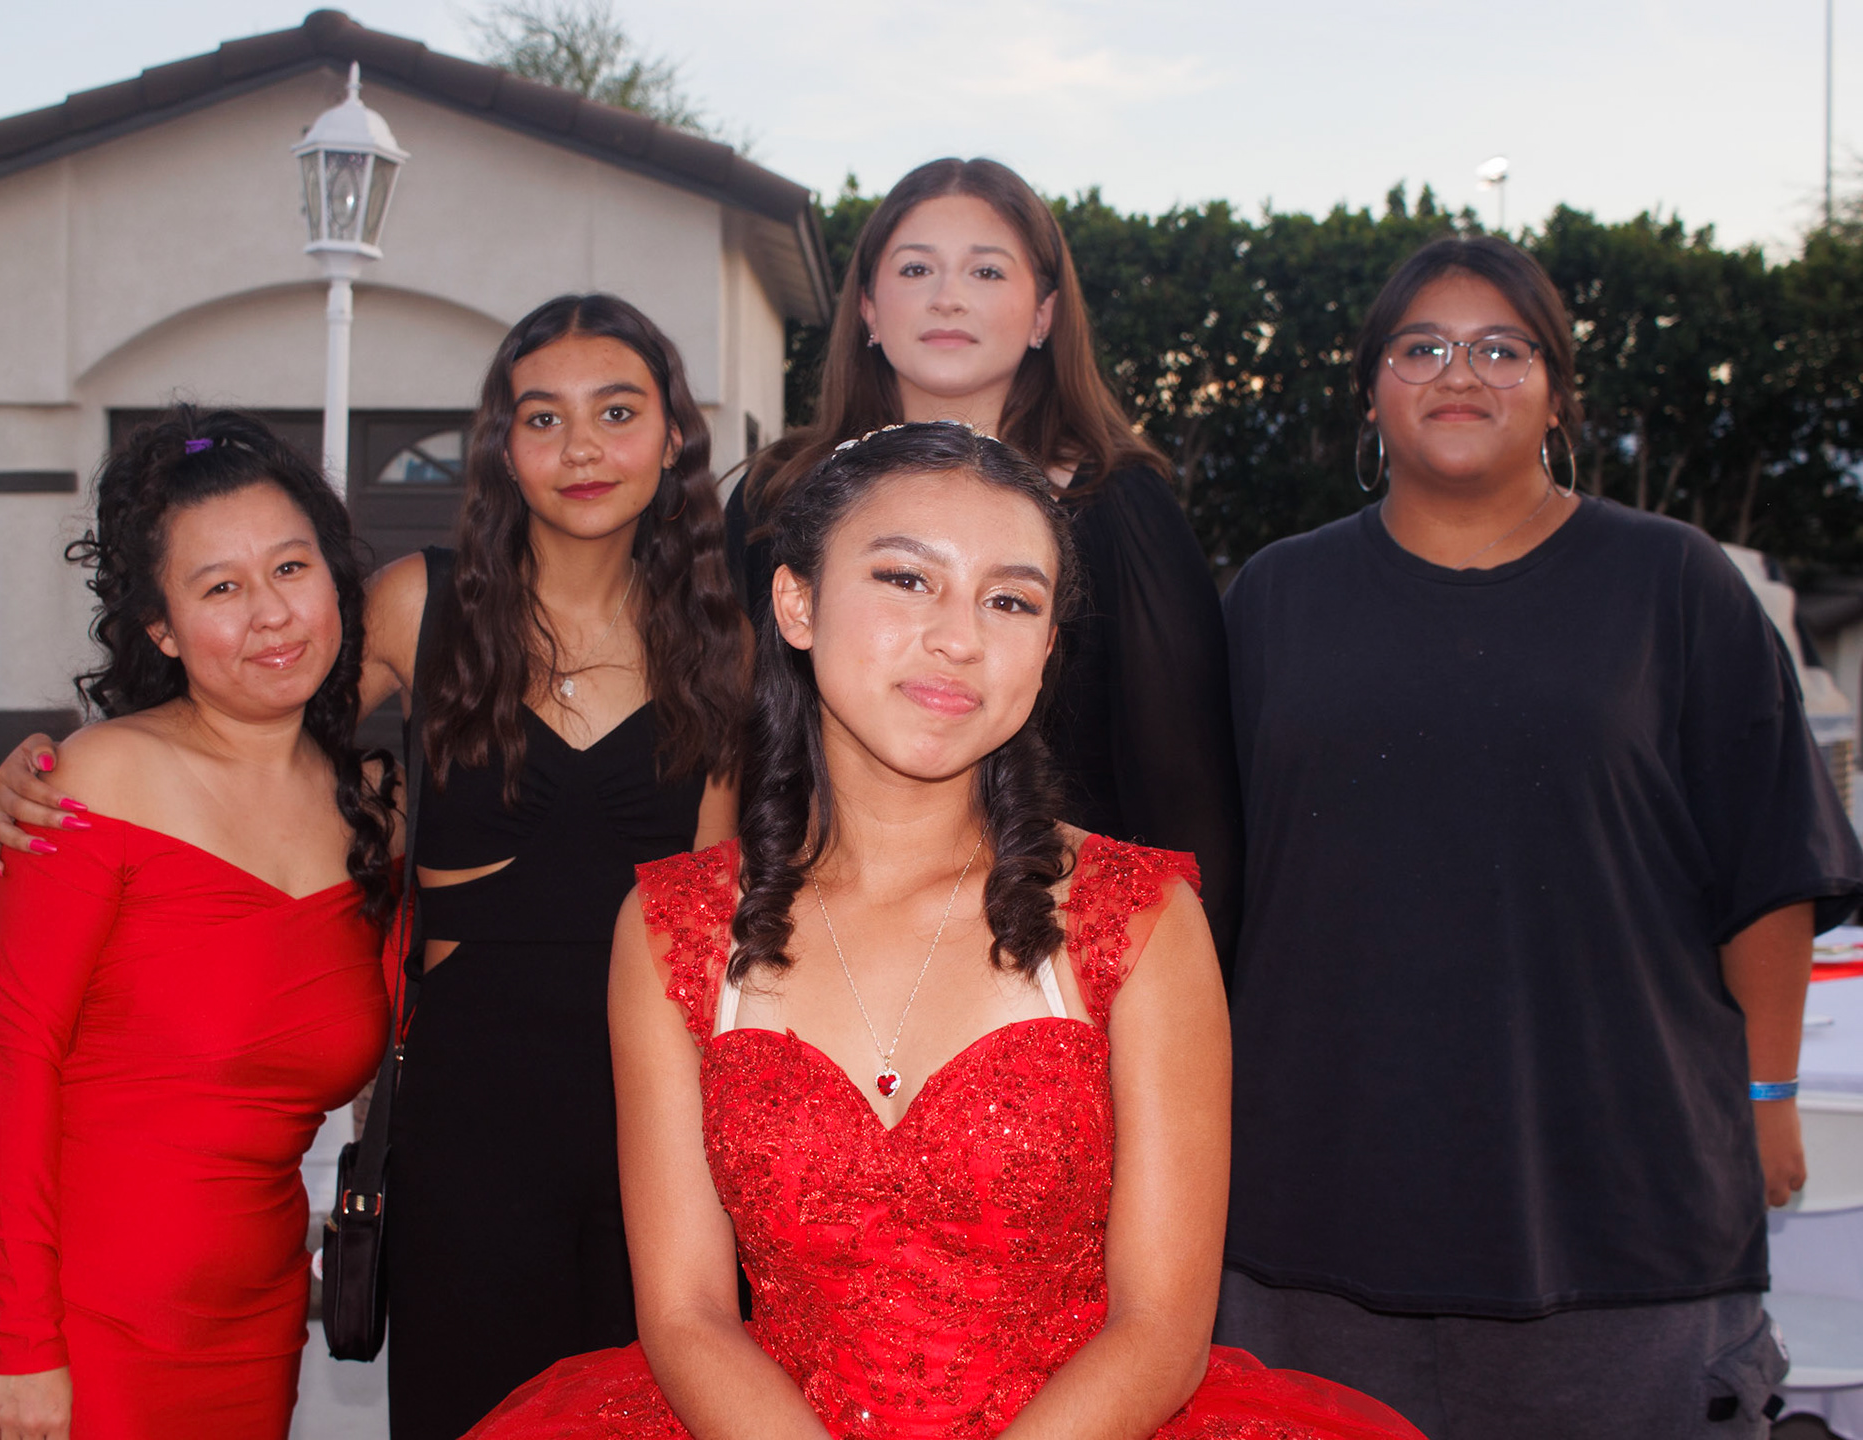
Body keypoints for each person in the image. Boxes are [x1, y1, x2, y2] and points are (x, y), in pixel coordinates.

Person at [464, 422, 1421, 1440]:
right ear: (796, 603)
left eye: (1010, 601)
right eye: (906, 579)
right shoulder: (674, 928)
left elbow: (1160, 1327)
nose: (959, 638)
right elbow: (686, 1313)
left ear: (1047, 650)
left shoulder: (1136, 918)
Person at [0, 294, 752, 1440]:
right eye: (543, 417)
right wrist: (54, 769)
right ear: (501, 444)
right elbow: (260, 728)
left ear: (675, 433)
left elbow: (716, 914)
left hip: (657, 1119)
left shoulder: (725, 638)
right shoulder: (418, 605)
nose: (582, 447)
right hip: (465, 1122)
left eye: (618, 412)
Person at [1214, 236, 1863, 1438]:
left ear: (1557, 393)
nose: (1461, 373)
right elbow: (1207, 892)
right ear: (1370, 392)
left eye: (1502, 349)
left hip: (1624, 1212)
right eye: (1422, 347)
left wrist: (1769, 1094)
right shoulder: (1274, 599)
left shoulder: (1673, 584)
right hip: (1312, 1216)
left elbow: (1769, 870)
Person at [0, 408, 397, 1440]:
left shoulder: (374, 810)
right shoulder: (97, 779)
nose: (272, 614)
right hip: (80, 1321)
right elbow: (14, 1059)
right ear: (161, 628)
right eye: (220, 588)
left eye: (291, 568)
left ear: (336, 582)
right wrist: (23, 1341)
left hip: (258, 1320)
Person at [726, 157, 1238, 960]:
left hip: (1056, 944)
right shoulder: (774, 500)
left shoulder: (1119, 506)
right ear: (868, 307)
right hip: (811, 940)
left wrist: (1166, 975)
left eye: (987, 270)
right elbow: (740, 745)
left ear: (1044, 314)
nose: (948, 296)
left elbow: (1186, 785)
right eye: (916, 268)